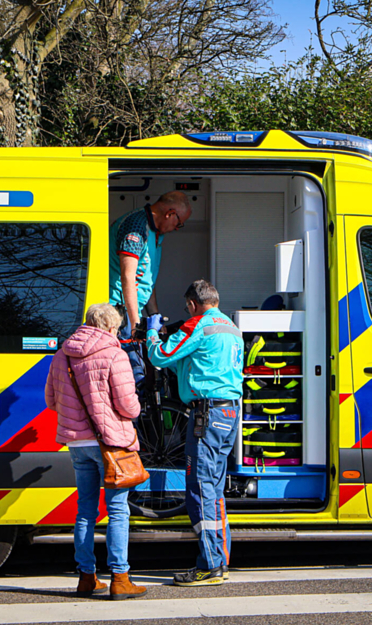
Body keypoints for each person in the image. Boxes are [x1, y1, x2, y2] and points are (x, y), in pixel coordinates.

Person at [44, 303, 147, 600]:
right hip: (109, 443)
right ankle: (120, 578)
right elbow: (128, 406)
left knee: (85, 511)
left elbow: (51, 400)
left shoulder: (62, 355)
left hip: (77, 443)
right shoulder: (115, 354)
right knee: (118, 511)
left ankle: (86, 577)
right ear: (111, 327)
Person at [145, 280, 243, 586]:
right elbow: (197, 364)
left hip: (206, 415)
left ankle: (210, 566)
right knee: (214, 490)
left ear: (192, 304)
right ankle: (220, 562)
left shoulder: (197, 324)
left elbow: (159, 356)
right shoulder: (231, 327)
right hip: (229, 413)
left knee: (199, 489)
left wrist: (151, 332)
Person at [109, 191, 192, 383]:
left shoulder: (156, 233)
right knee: (133, 374)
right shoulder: (136, 228)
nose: (177, 228)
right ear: (170, 214)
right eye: (179, 223)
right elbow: (128, 276)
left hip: (132, 311)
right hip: (118, 313)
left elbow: (147, 279)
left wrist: (155, 317)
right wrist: (135, 324)